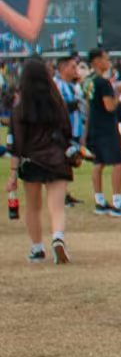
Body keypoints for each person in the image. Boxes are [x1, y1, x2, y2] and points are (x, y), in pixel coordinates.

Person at [10, 58, 74, 263]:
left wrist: (12, 173)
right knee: (56, 207)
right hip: (56, 158)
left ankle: (37, 248)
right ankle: (58, 238)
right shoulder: (57, 103)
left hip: (31, 161)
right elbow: (67, 131)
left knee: (33, 207)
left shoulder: (20, 109)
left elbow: (16, 143)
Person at [81, 49, 121, 217]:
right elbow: (110, 107)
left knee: (99, 163)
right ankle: (117, 202)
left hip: (93, 127)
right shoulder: (103, 83)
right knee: (118, 162)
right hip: (106, 128)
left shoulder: (87, 81)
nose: (109, 62)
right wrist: (118, 92)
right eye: (106, 59)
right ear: (97, 61)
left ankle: (100, 201)